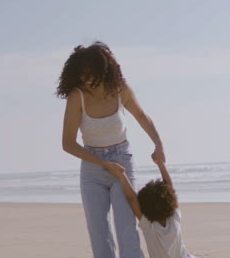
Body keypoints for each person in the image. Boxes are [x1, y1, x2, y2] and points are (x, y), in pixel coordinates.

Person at [56, 41, 165, 258]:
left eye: (90, 73)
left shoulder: (120, 89)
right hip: (92, 168)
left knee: (126, 228)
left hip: (122, 162)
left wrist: (158, 144)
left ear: (102, 69)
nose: (86, 78)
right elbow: (68, 143)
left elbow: (142, 117)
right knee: (99, 232)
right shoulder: (77, 97)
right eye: (81, 74)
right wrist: (104, 163)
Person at [108, 155, 196, 258]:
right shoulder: (174, 218)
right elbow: (169, 186)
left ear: (145, 207)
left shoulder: (149, 225)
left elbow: (132, 199)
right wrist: (160, 164)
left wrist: (121, 175)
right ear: (170, 200)